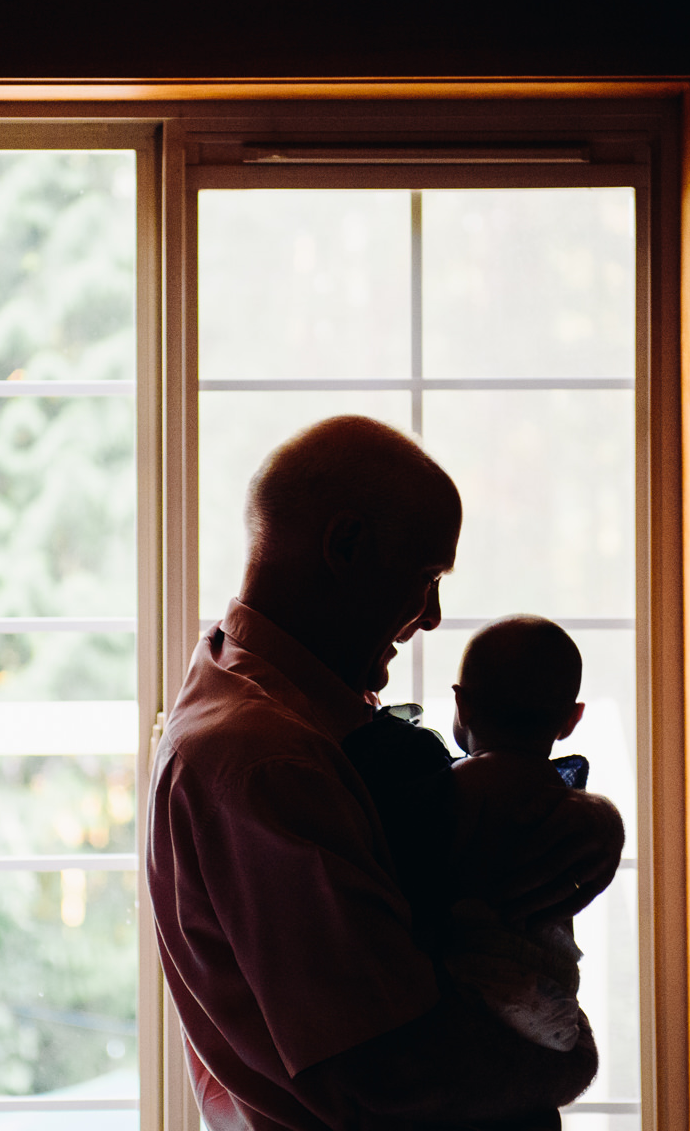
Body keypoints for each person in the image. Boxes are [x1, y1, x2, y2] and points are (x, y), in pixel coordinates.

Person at [146, 416, 624, 1131]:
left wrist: (590, 826)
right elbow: (390, 1077)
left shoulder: (262, 695)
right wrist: (568, 1060)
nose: (430, 618)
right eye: (426, 577)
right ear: (346, 546)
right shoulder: (270, 761)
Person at [347, 616, 598, 1058]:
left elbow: (408, 849)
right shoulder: (564, 794)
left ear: (461, 706)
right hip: (552, 983)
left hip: (475, 976)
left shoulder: (458, 784)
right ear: (571, 720)